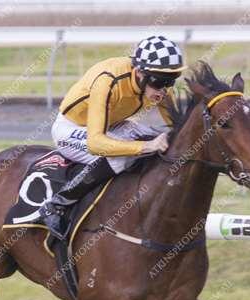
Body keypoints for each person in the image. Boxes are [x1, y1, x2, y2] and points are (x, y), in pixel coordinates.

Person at [39, 35, 186, 238]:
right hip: (71, 129)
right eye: (159, 82)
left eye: (170, 81)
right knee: (124, 154)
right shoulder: (108, 81)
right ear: (139, 73)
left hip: (112, 125)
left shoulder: (157, 85)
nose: (163, 90)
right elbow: (96, 143)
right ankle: (57, 204)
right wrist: (146, 147)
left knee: (159, 137)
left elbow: (177, 129)